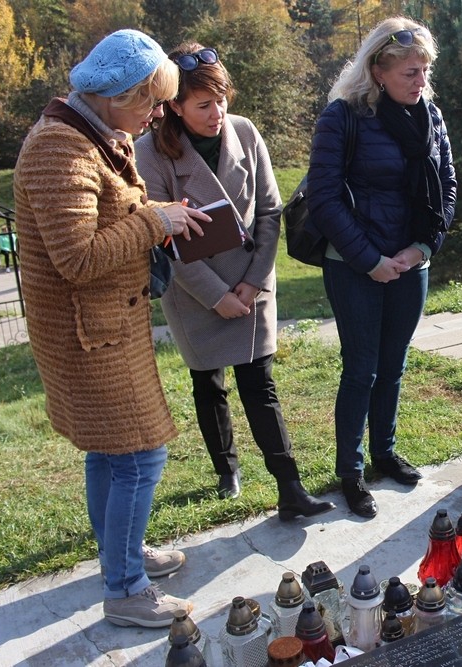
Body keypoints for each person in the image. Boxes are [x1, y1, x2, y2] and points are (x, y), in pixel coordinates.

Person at [13, 29, 210, 628]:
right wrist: (154, 221)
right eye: (152, 102)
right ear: (117, 94)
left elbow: (103, 220)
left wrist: (156, 219)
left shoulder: (91, 134)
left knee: (111, 453)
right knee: (140, 456)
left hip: (104, 328)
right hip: (87, 336)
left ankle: (119, 554)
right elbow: (76, 258)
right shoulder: (60, 149)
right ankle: (125, 588)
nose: (158, 116)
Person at [135, 43, 335, 520]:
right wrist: (216, 295)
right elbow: (164, 239)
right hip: (195, 292)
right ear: (174, 107)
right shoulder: (150, 153)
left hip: (251, 282)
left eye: (222, 99)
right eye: (204, 105)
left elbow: (269, 211)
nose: (217, 113)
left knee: (260, 384)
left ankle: (290, 488)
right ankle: (226, 470)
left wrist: (252, 282)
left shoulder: (244, 131)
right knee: (208, 384)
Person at [307, 16, 456, 518]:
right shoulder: (342, 116)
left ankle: (384, 454)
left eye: (425, 70)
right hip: (354, 265)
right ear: (378, 70)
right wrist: (369, 260)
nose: (421, 81)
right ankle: (350, 473)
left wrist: (423, 249)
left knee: (393, 365)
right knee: (361, 369)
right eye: (411, 72)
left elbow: (447, 187)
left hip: (410, 262)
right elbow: (324, 199)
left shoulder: (430, 115)